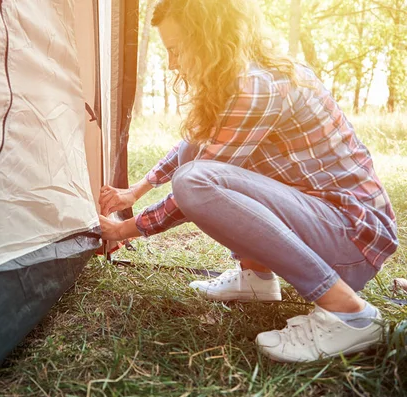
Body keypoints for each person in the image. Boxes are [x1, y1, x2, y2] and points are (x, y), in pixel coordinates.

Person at [98, 0, 398, 363]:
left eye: (176, 50)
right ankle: (255, 279)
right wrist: (137, 189)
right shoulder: (245, 77)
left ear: (209, 39)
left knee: (194, 181)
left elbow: (196, 184)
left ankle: (351, 315)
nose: (173, 63)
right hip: (329, 223)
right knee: (195, 153)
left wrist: (123, 230)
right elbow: (193, 145)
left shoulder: (257, 85)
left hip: (352, 239)